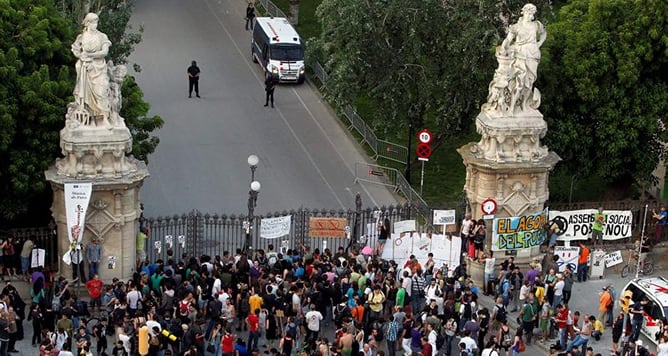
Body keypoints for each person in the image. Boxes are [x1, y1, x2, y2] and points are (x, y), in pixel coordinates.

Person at [499, 3, 546, 113]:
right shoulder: (517, 27)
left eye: (532, 14)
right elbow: (508, 40)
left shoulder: (536, 25)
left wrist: (539, 44)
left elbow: (544, 34)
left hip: (533, 55)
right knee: (520, 84)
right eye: (528, 13)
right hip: (520, 56)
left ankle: (524, 105)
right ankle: (511, 108)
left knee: (528, 85)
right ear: (523, 13)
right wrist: (503, 47)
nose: (530, 16)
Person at [71, 13, 112, 126]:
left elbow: (104, 52)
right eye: (93, 22)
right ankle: (91, 119)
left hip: (98, 67)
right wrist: (80, 55)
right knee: (86, 94)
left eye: (96, 22)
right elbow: (75, 49)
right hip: (85, 67)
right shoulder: (82, 37)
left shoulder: (102, 36)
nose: (95, 24)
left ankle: (105, 118)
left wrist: (90, 56)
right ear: (87, 23)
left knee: (101, 92)